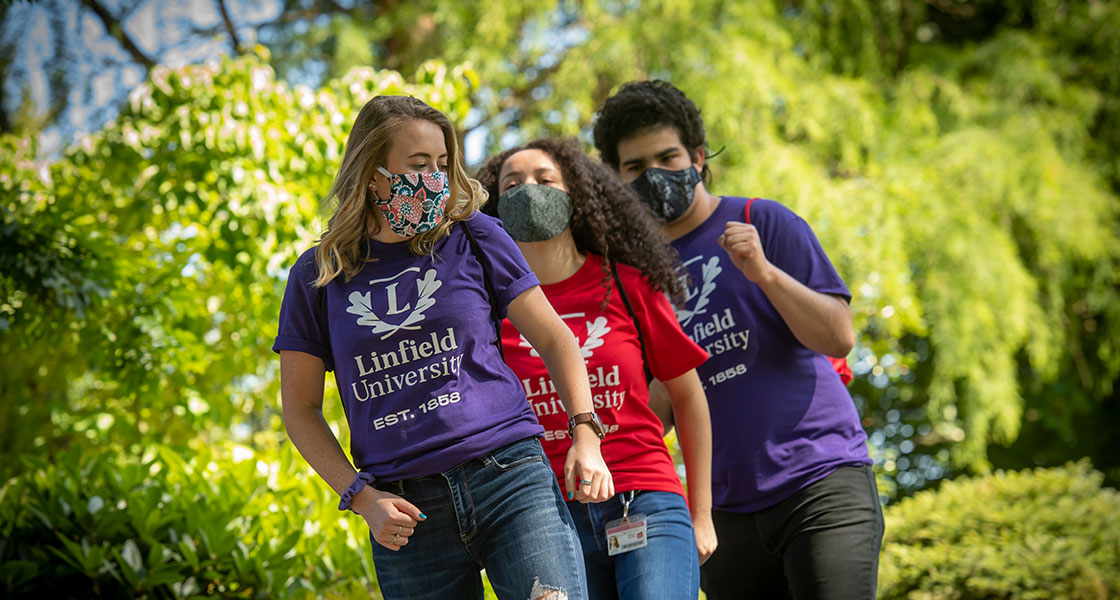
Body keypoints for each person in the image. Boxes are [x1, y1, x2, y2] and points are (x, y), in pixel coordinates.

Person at [273, 95, 614, 600]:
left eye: (441, 163)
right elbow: (300, 409)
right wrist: (361, 498)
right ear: (372, 173)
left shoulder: (475, 235)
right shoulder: (317, 274)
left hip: (511, 480)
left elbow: (553, 337)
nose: (434, 178)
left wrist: (585, 434)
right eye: (418, 165)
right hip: (405, 515)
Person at [593, 80, 884, 600]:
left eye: (668, 157)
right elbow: (659, 407)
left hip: (819, 481)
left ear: (697, 156)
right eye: (635, 166)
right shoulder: (629, 274)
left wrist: (764, 273)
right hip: (720, 513)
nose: (654, 174)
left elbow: (838, 337)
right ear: (617, 178)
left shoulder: (762, 220)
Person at [476, 138, 717, 600]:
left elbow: (688, 397)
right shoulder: (487, 311)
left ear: (576, 194)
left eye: (545, 179)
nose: (529, 190)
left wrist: (702, 515)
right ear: (495, 207)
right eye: (512, 184)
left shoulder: (628, 285)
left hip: (645, 497)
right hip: (548, 515)